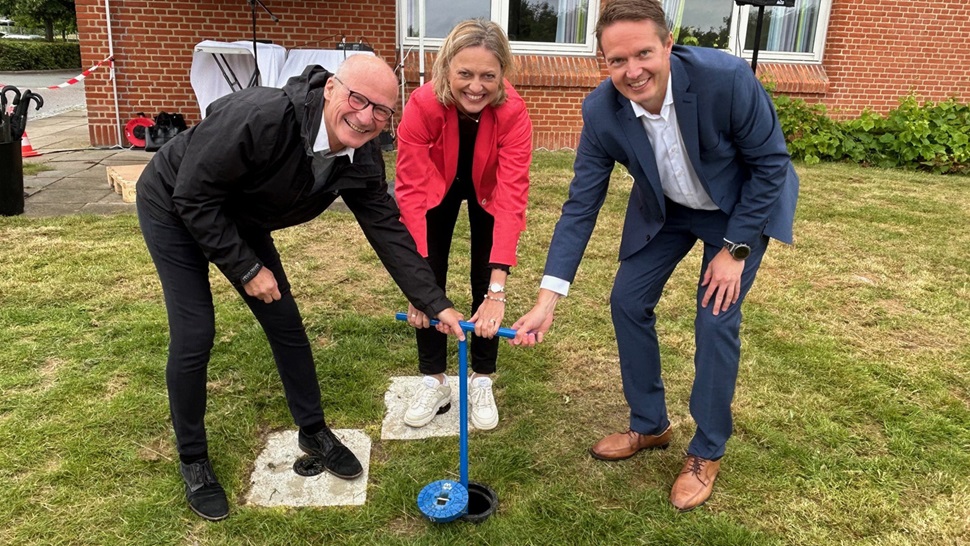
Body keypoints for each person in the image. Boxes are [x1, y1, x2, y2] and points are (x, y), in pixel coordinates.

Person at [136, 54, 465, 522]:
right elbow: (193, 195)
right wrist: (247, 268)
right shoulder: (262, 116)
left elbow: (385, 228)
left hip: (241, 214)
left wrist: (434, 302)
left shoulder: (361, 152)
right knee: (195, 335)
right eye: (358, 99)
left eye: (382, 111)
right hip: (174, 203)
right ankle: (194, 462)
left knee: (286, 324)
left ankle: (313, 431)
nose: (367, 117)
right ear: (331, 88)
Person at [510, 0, 798, 511]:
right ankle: (650, 425)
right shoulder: (601, 110)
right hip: (666, 212)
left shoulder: (725, 78)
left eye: (643, 53)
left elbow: (771, 165)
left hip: (736, 211)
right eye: (616, 60)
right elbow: (581, 204)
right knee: (626, 301)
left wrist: (735, 249)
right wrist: (547, 298)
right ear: (603, 61)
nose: (632, 70)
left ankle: (706, 450)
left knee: (715, 317)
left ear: (668, 44)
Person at [394, 19, 532, 431]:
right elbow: (411, 193)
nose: (476, 86)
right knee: (428, 274)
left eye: (488, 75)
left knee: (483, 278)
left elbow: (511, 199)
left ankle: (482, 378)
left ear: (501, 74)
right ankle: (434, 379)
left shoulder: (513, 112)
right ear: (446, 70)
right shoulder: (421, 105)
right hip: (436, 187)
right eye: (465, 74)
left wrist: (498, 291)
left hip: (488, 188)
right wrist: (417, 289)